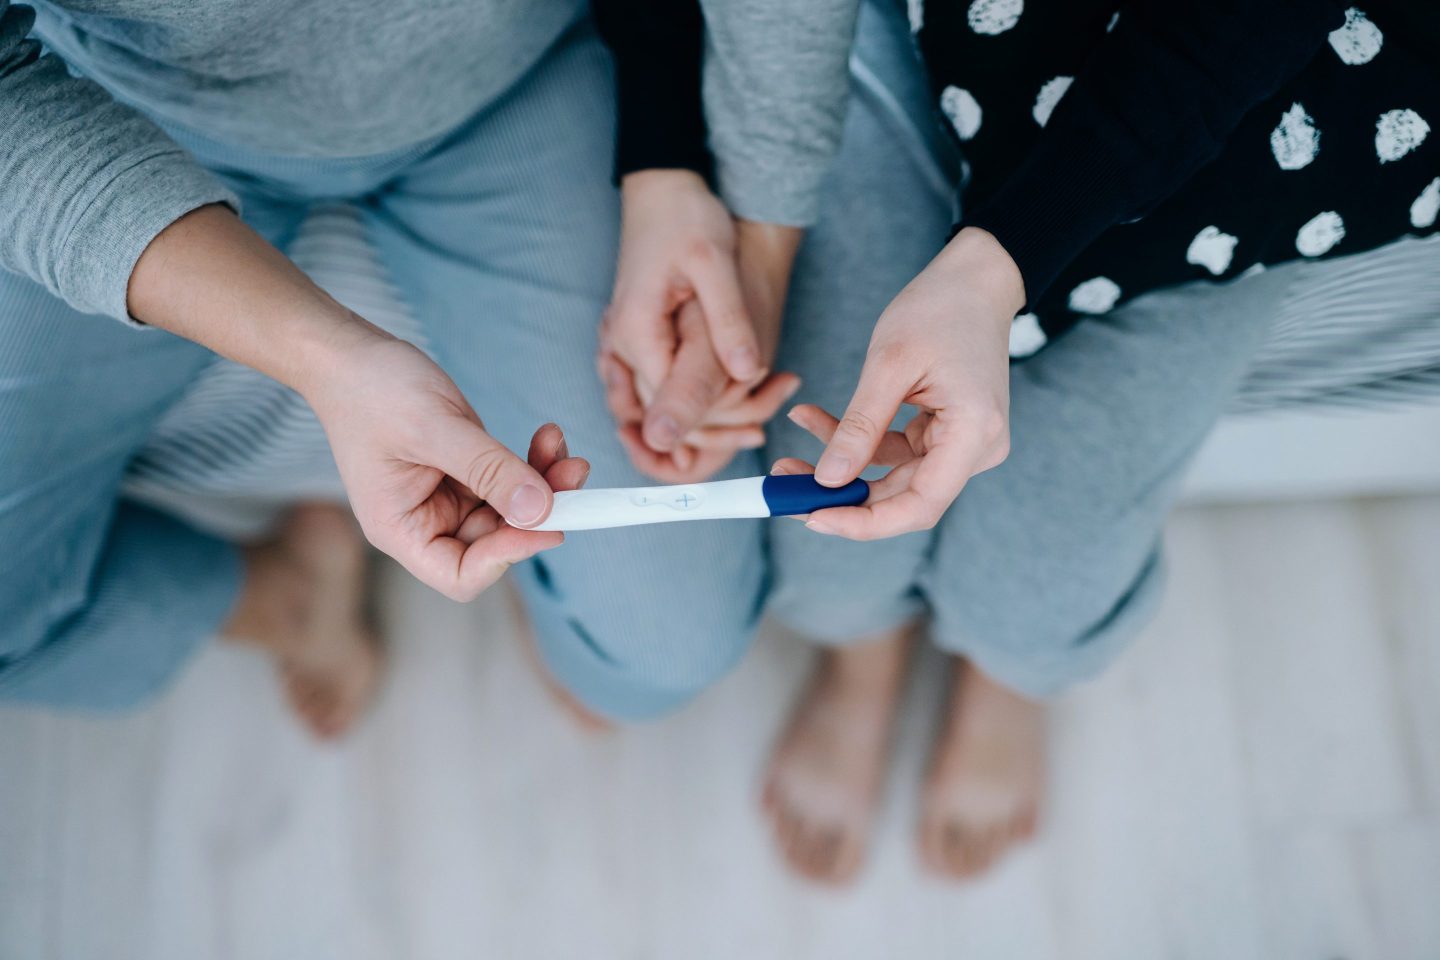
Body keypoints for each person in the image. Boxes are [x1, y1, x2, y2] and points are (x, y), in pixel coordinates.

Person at [597, 0, 1440, 883]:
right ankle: (862, 660)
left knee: (1036, 603)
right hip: (906, 46)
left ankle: (1005, 676)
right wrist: (755, 245)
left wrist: (995, 267)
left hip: (1245, 141)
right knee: (831, 556)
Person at [0, 0, 772, 735]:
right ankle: (291, 599)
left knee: (666, 651)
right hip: (119, 125)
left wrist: (665, 164)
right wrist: (328, 360)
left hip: (511, 80)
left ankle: (532, 584)